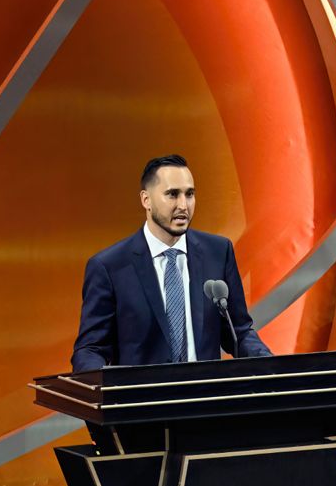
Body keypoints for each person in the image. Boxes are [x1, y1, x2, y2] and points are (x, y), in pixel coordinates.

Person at [72, 155, 271, 450]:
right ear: (146, 199)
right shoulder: (110, 267)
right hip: (141, 423)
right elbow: (90, 349)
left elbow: (238, 331)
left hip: (210, 416)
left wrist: (272, 369)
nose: (183, 205)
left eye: (189, 194)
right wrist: (104, 394)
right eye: (172, 194)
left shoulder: (218, 252)